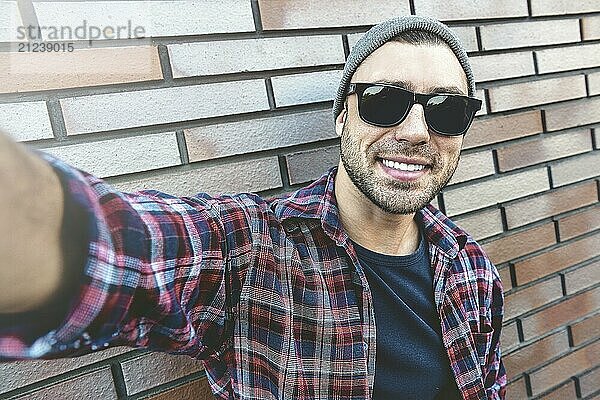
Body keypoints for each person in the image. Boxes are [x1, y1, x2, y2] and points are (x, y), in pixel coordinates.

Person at [0, 15, 505, 400]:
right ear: (340, 118)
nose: (416, 132)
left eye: (447, 110)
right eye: (384, 101)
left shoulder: (472, 271)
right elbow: (117, 248)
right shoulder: (253, 248)